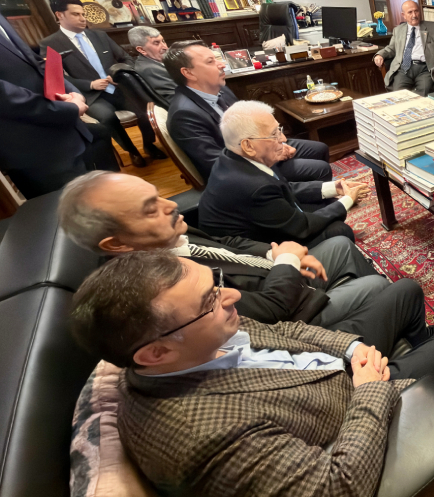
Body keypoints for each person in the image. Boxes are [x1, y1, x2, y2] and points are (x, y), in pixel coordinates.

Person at [68, 251, 434, 497]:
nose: (232, 295)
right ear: (156, 353)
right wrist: (371, 390)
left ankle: (421, 350)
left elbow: (283, 331)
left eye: (216, 283)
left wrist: (352, 347)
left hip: (339, 367)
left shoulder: (195, 335)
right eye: (210, 299)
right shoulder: (199, 440)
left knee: (406, 290)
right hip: (357, 404)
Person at [58, 171, 394, 330]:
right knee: (380, 287)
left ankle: (379, 320)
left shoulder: (166, 235)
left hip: (275, 274)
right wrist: (288, 261)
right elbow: (268, 312)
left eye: (159, 195)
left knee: (339, 244)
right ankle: (371, 321)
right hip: (291, 313)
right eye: (150, 209)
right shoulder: (165, 286)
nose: (171, 205)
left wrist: (273, 254)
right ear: (116, 244)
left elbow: (227, 244)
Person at [198, 100, 363, 247]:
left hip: (260, 220)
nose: (283, 139)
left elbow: (283, 188)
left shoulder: (232, 156)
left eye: (279, 130)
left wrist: (334, 187)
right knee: (339, 230)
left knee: (328, 202)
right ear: (248, 145)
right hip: (254, 247)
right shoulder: (255, 187)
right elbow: (302, 227)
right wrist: (347, 200)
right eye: (274, 134)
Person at [162, 40, 332, 181]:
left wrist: (279, 145)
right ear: (188, 73)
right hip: (243, 169)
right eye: (210, 61)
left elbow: (251, 123)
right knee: (320, 169)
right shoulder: (184, 115)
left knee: (320, 148)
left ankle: (310, 195)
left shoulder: (221, 89)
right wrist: (270, 155)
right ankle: (299, 203)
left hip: (262, 145)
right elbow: (215, 163)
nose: (222, 64)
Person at [38, 0, 149, 166]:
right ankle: (132, 152)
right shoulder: (50, 43)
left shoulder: (100, 36)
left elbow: (126, 58)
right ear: (59, 15)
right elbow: (57, 77)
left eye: (83, 14)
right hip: (90, 95)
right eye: (76, 14)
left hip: (117, 87)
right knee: (107, 117)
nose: (83, 18)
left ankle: (149, 145)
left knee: (146, 109)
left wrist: (117, 73)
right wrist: (89, 84)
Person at [0, 9, 94, 198]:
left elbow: (35, 62)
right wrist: (67, 109)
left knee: (96, 201)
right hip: (33, 148)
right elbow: (5, 96)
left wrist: (73, 92)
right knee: (69, 211)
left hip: (68, 134)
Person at [374, 1, 434, 96]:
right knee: (398, 94)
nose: (414, 15)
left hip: (425, 68)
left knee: (425, 92)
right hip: (403, 68)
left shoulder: (433, 27)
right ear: (403, 15)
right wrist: (380, 55)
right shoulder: (398, 30)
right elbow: (391, 48)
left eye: (416, 11)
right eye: (410, 12)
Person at [127, 26, 176, 102]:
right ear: (141, 49)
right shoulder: (150, 70)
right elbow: (175, 98)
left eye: (163, 41)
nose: (165, 47)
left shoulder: (155, 62)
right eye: (156, 43)